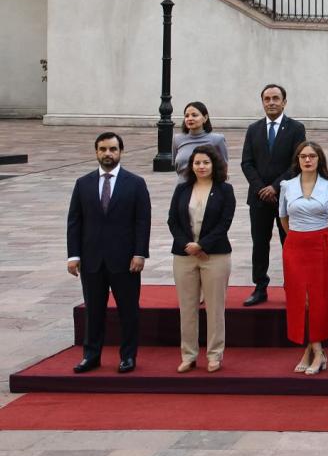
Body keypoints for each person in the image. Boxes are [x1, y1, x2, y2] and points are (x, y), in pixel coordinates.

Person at [67, 132, 150, 374]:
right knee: (93, 311)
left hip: (125, 260)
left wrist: (140, 253)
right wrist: (73, 255)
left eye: (113, 149)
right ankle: (91, 356)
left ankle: (128, 357)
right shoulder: (83, 183)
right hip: (92, 260)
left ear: (121, 152)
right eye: (103, 149)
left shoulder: (135, 183)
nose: (108, 154)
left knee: (128, 311)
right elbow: (75, 221)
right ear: (96, 152)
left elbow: (142, 221)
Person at [167, 146, 236, 373]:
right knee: (187, 308)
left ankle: (215, 355)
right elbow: (172, 221)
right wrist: (188, 245)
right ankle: (188, 355)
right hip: (185, 255)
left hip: (215, 256)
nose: (201, 166)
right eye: (197, 163)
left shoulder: (225, 190)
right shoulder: (182, 189)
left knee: (215, 309)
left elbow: (224, 223)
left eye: (206, 162)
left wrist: (202, 245)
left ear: (214, 164)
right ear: (191, 166)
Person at [239, 84, 306, 306]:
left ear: (284, 102)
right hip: (259, 198)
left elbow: (297, 162)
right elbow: (247, 163)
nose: (271, 102)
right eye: (267, 99)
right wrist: (261, 188)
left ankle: (293, 287)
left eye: (276, 98)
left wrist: (275, 187)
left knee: (289, 243)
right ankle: (260, 287)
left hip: (286, 197)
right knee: (260, 244)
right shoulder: (254, 129)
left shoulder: (296, 128)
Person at [279, 140, 328, 376]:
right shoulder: (287, 186)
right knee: (301, 299)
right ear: (297, 160)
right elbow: (283, 217)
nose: (307, 160)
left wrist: (318, 235)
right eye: (303, 156)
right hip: (295, 246)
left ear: (319, 160)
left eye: (312, 156)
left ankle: (313, 351)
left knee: (318, 299)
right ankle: (317, 350)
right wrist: (298, 236)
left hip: (321, 245)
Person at [173, 101, 229, 180]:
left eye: (194, 115)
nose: (190, 119)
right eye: (187, 116)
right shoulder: (177, 139)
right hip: (183, 185)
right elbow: (176, 166)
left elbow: (223, 166)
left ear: (205, 118)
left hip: (209, 185)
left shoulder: (218, 139)